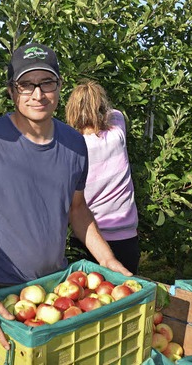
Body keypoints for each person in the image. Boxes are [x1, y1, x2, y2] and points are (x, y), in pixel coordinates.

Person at [0, 43, 132, 350]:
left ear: (59, 87)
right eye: (26, 85)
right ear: (12, 91)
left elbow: (78, 210)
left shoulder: (75, 143)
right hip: (0, 292)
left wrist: (108, 260)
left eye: (46, 82)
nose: (37, 94)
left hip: (56, 290)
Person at [65, 80, 140, 274]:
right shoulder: (117, 134)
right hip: (125, 236)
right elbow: (114, 113)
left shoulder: (71, 148)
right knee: (125, 296)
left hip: (87, 237)